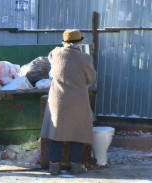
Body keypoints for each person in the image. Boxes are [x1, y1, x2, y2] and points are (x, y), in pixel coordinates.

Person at [40, 29, 96, 175]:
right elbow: (91, 78)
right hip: (77, 101)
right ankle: (76, 166)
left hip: (58, 101)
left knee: (56, 132)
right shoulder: (85, 58)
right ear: (80, 42)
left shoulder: (55, 53)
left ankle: (54, 167)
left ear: (64, 42)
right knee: (78, 132)